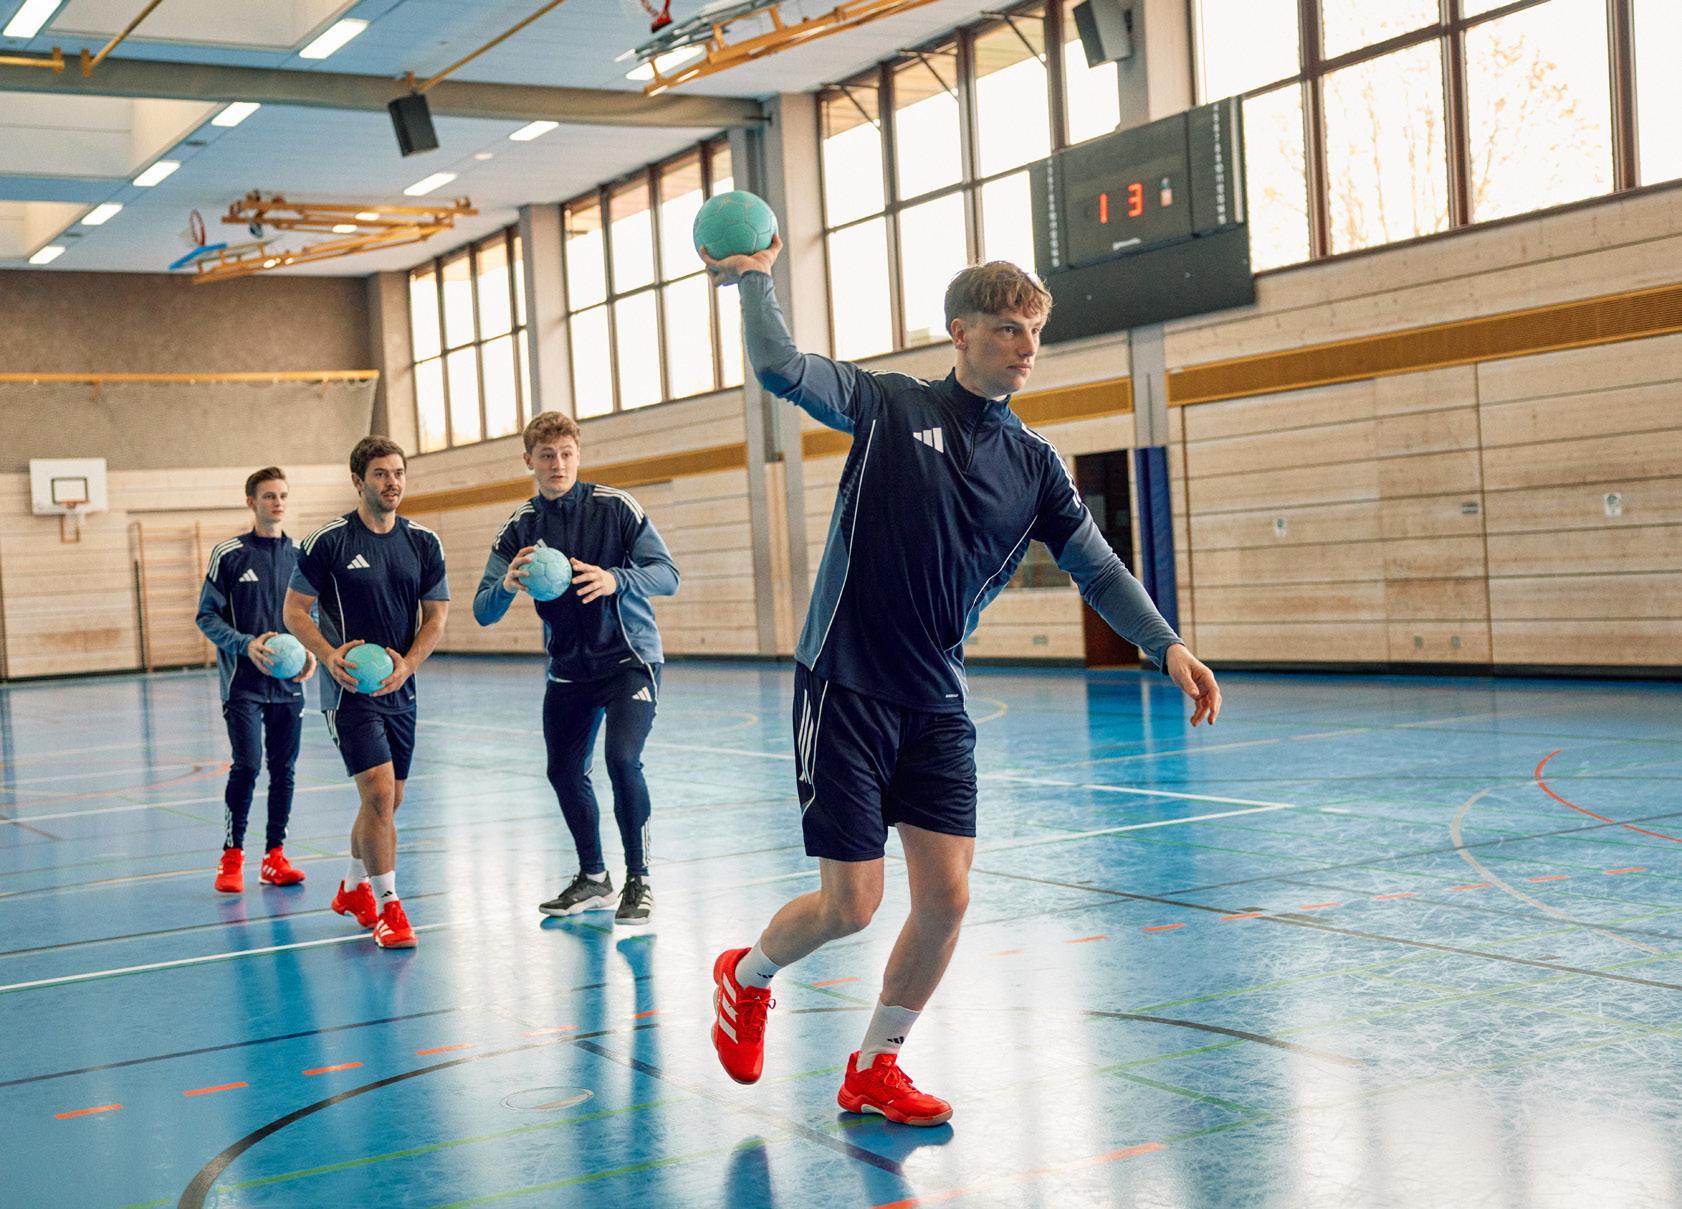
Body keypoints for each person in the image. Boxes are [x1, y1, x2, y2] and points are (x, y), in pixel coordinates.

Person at [701, 240, 1222, 1125]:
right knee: (852, 905)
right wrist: (755, 278)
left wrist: (1166, 645)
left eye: (1035, 331)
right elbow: (780, 366)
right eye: (1008, 329)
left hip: (937, 697)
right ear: (961, 332)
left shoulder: (1035, 463)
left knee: (946, 897)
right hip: (845, 683)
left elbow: (1097, 568)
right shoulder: (889, 404)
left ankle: (875, 1067)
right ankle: (745, 975)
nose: (1026, 346)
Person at [474, 411, 680, 926]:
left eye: (566, 454)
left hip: (629, 660)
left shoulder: (615, 508)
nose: (558, 464)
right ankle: (594, 878)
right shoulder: (520, 527)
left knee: (622, 760)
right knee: (563, 771)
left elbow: (667, 574)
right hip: (568, 669)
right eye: (547, 456)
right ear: (529, 461)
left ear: (578, 455)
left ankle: (639, 880)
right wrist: (508, 585)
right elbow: (482, 610)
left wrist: (615, 579)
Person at [283, 436, 449, 950]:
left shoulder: (423, 542)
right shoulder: (328, 541)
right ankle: (390, 908)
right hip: (349, 690)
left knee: (391, 798)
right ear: (358, 481)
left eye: (398, 472)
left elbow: (436, 616)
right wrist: (328, 655)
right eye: (380, 473)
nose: (392, 482)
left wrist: (409, 665)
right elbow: (294, 611)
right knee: (377, 793)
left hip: (401, 687)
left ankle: (353, 888)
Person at [195, 467, 318, 893]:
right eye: (268, 496)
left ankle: (275, 857)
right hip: (243, 685)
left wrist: (312, 654)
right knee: (247, 765)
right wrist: (246, 645)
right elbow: (206, 616)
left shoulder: (302, 555)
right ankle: (231, 857)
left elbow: (314, 615)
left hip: (289, 685)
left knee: (284, 769)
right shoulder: (229, 554)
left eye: (282, 495)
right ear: (251, 502)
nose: (277, 502)